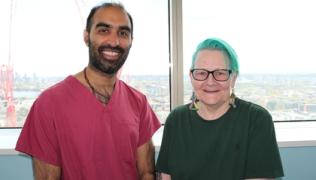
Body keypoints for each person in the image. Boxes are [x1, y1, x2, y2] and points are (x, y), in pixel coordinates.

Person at [15, 2, 161, 180]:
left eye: (123, 33)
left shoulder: (139, 102)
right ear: (86, 37)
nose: (114, 41)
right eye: (104, 30)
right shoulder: (49, 104)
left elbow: (146, 172)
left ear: (131, 41)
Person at [156, 38, 284, 180]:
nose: (210, 82)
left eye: (220, 73)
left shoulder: (256, 120)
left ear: (233, 78)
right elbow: (166, 176)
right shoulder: (176, 120)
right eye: (201, 73)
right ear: (191, 77)